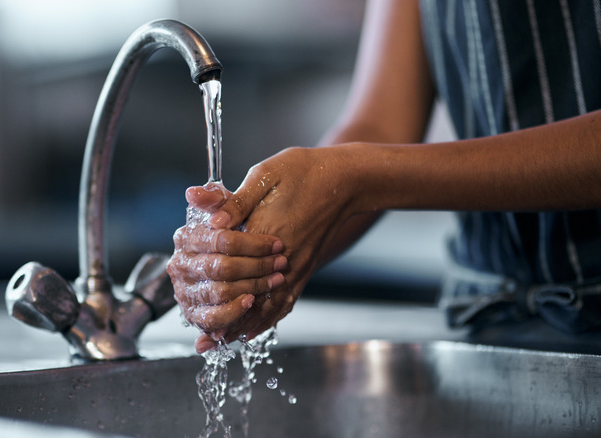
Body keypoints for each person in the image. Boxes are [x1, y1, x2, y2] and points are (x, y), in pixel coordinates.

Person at [167, 0, 601, 353]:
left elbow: (363, 168)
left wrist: (359, 177)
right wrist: (247, 256)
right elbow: (381, 124)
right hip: (488, 322)